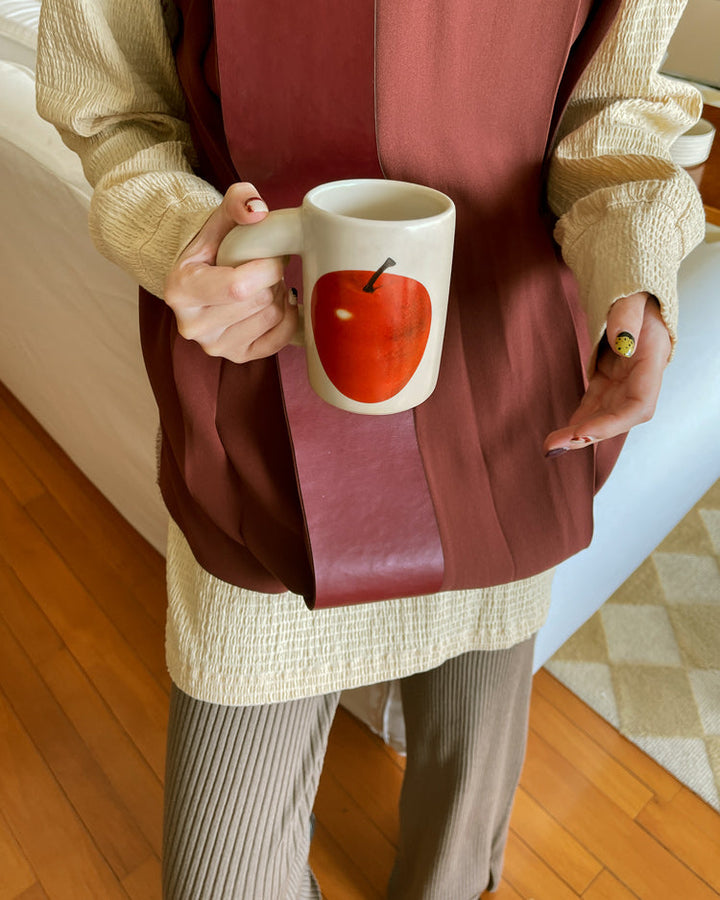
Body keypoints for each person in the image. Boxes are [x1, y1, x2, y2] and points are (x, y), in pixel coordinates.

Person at [36, 0, 704, 897]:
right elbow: (113, 107)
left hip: (509, 382)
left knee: (460, 842)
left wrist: (635, 271)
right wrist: (177, 233)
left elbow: (610, 112)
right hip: (262, 385)